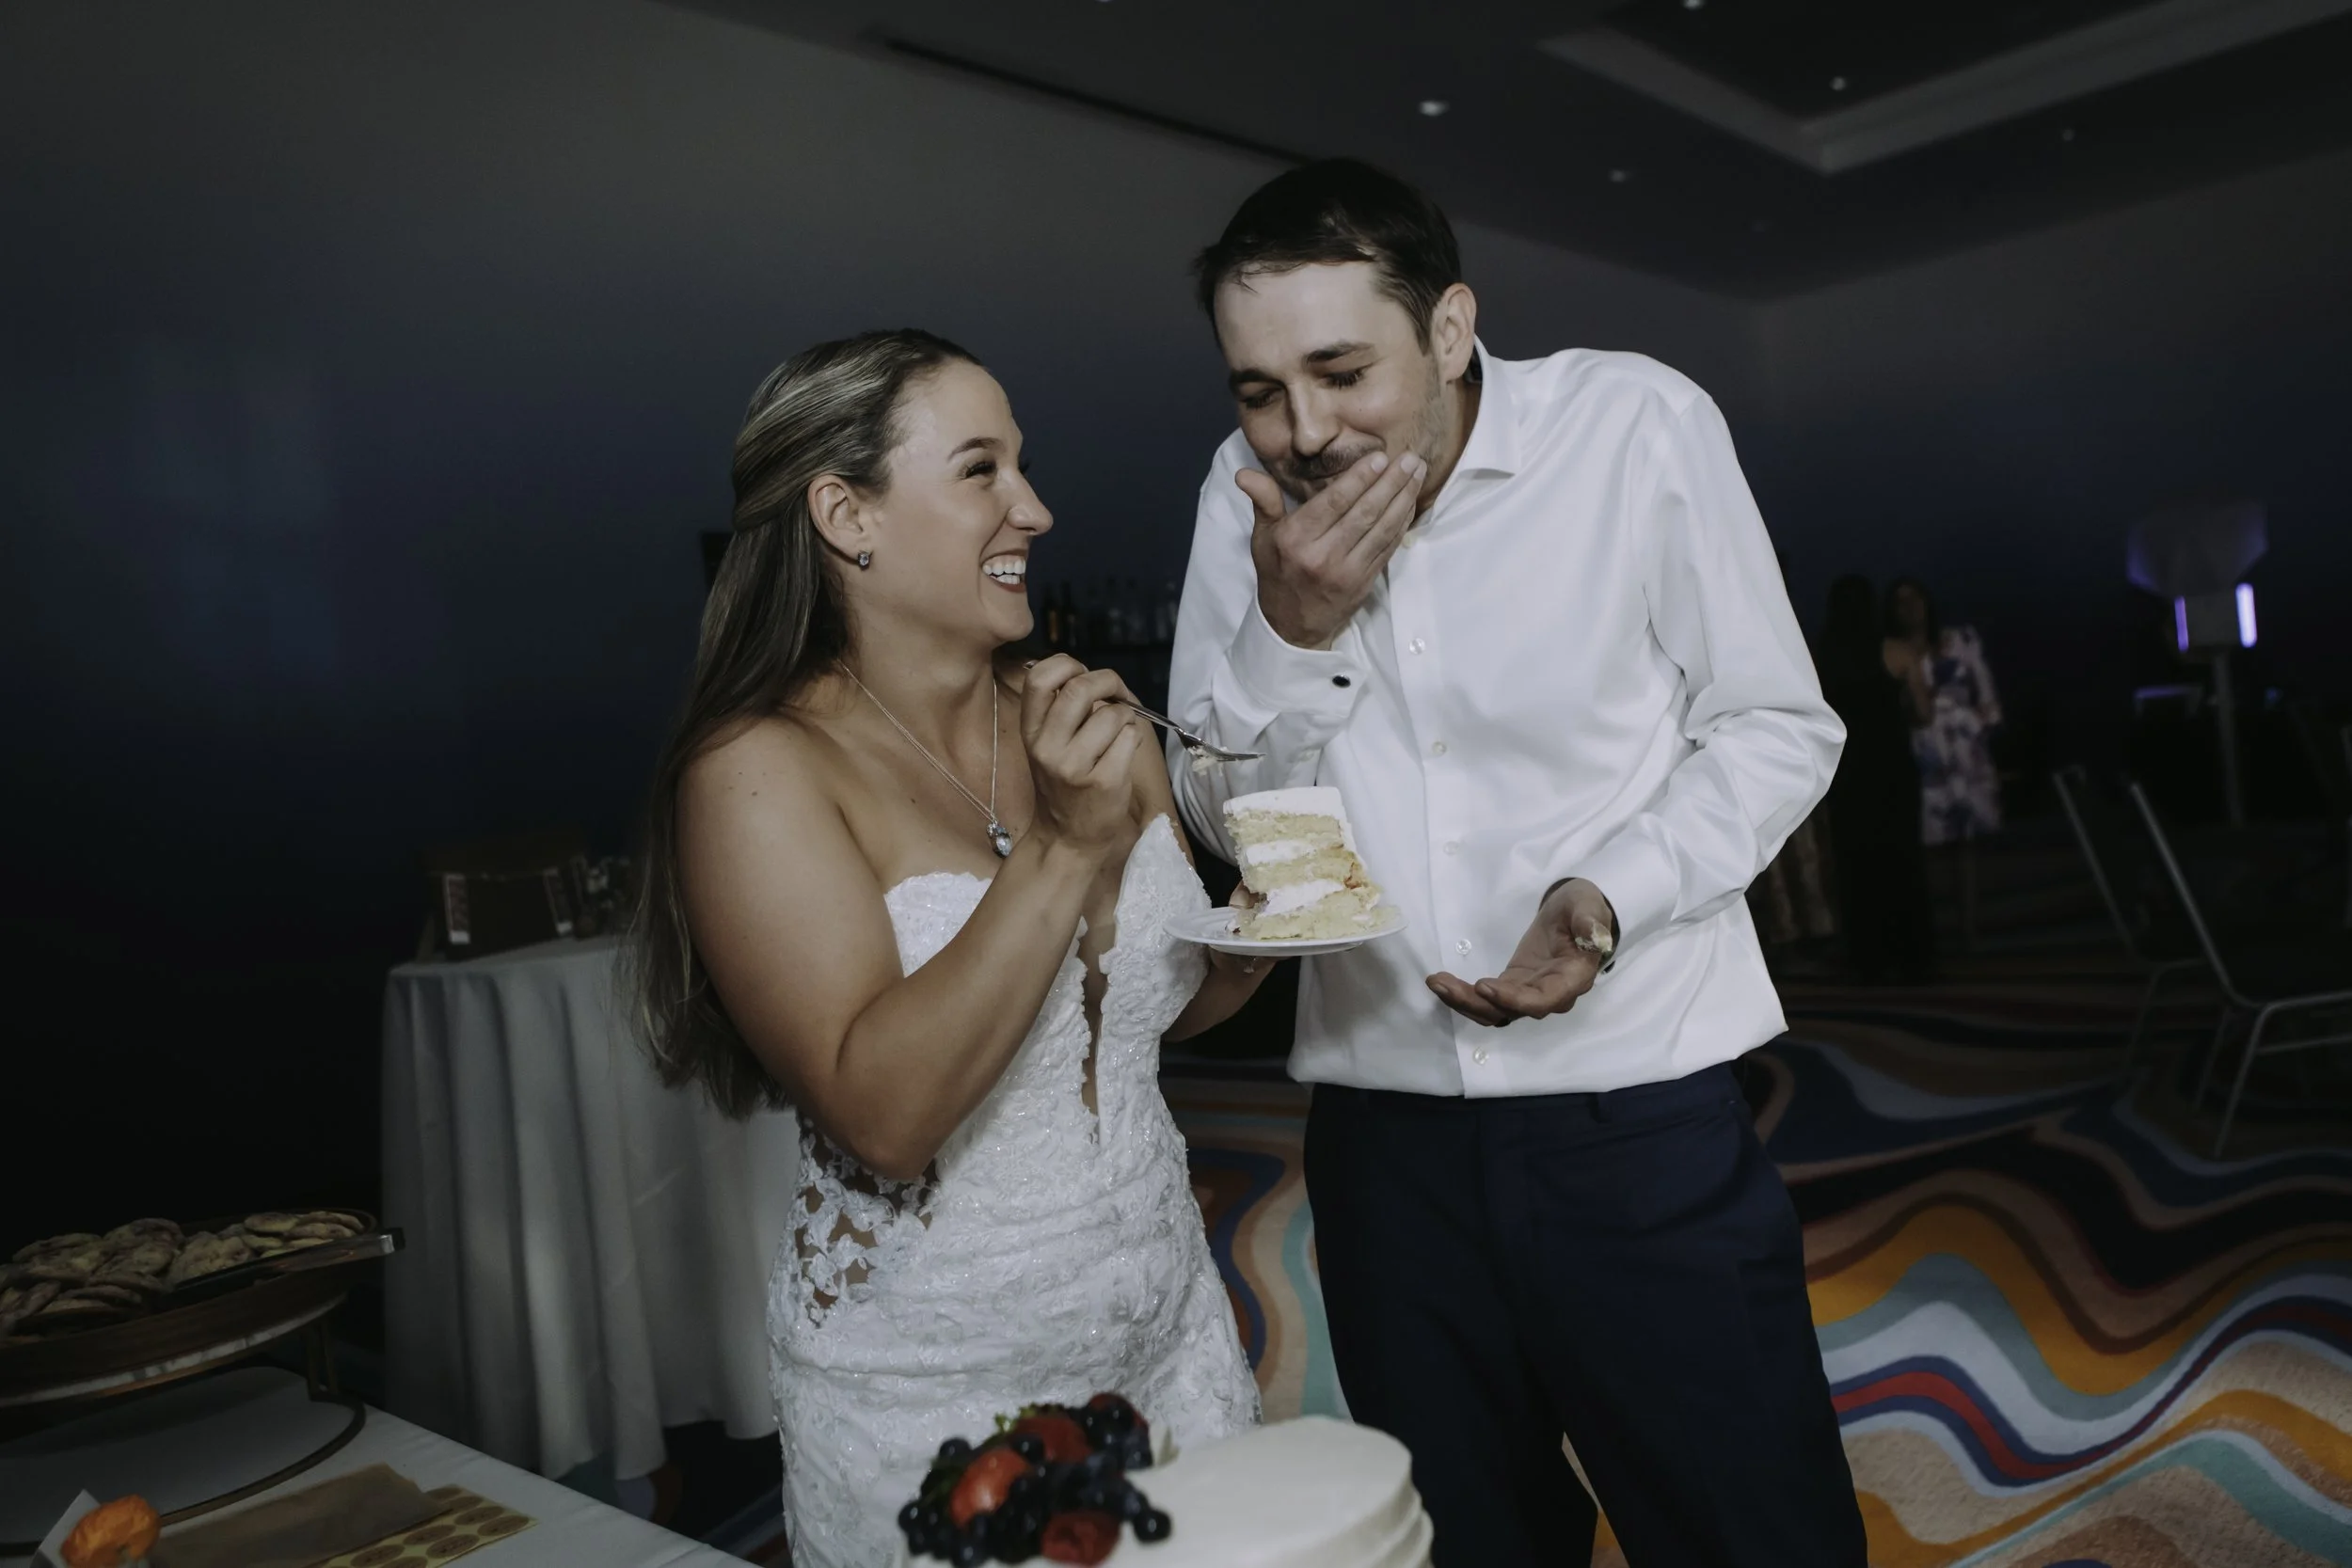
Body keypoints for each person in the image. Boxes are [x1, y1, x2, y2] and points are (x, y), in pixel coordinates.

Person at [1167, 161, 1867, 1567]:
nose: (1301, 430)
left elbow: (1779, 723)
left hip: (1639, 1118)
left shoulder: (1636, 427)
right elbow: (1231, 836)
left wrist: (1611, 890)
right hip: (1382, 1151)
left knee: (1752, 1532)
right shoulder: (1239, 505)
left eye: (1340, 369)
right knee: (1476, 1543)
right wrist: (1290, 638)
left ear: (1449, 328)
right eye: (1257, 389)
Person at [628, 330, 1263, 1568]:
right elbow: (886, 1110)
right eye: (982, 470)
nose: (1035, 506)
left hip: (1169, 1333)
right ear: (845, 513)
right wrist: (1063, 848)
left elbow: (1166, 1004)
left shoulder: (1086, 718)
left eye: (1021, 465)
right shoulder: (759, 770)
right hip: (938, 1398)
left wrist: (1266, 937)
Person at [1819, 574, 1936, 982]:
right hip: (1891, 771)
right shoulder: (1897, 652)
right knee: (1903, 863)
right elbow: (1924, 714)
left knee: (1856, 868)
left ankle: (1866, 959)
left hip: (1846, 775)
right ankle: (1913, 959)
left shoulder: (1818, 658)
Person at [1884, 576, 2002, 945]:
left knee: (1967, 844)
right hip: (1923, 754)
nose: (1909, 607)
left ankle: (1971, 926)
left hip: (1966, 752)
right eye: (1900, 601)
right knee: (1931, 844)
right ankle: (1938, 930)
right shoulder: (1893, 651)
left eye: (1915, 597)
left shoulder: (1960, 640)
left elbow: (1987, 694)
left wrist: (1975, 727)